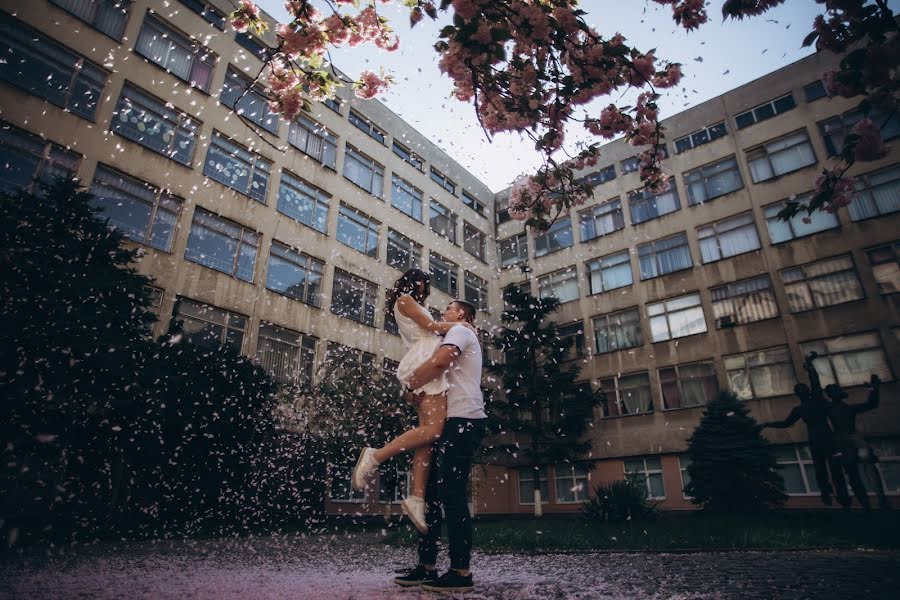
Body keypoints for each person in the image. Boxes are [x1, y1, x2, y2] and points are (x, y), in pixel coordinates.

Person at [351, 269, 474, 533]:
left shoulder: (412, 302)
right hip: (423, 358)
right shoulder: (405, 299)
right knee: (435, 430)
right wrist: (460, 325)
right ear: (412, 280)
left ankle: (416, 498)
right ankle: (375, 456)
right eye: (423, 281)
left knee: (427, 437)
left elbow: (431, 328)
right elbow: (430, 328)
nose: (425, 287)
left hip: (424, 355)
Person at [392, 299, 486, 594]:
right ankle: (427, 566)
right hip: (449, 423)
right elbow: (435, 377)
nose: (442, 312)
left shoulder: (461, 330)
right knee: (431, 493)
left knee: (452, 495)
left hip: (464, 421)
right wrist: (416, 392)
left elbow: (440, 363)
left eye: (448, 308)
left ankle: (461, 572)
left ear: (461, 314)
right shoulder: (447, 336)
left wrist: (411, 383)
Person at [758, 352, 850, 508]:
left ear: (806, 392)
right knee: (820, 469)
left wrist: (810, 365)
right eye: (798, 390)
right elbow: (786, 423)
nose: (800, 392)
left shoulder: (816, 400)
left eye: (802, 389)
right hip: (816, 439)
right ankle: (827, 493)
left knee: (834, 469)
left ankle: (842, 497)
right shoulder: (799, 409)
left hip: (827, 438)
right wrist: (768, 424)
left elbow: (815, 381)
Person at [825, 373, 889, 511]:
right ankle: (869, 503)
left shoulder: (845, 408)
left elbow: (871, 404)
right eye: (833, 391)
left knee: (864, 469)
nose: (836, 393)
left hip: (851, 440)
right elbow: (871, 404)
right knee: (854, 474)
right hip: (845, 442)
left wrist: (874, 389)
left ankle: (879, 500)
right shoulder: (831, 409)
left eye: (836, 391)